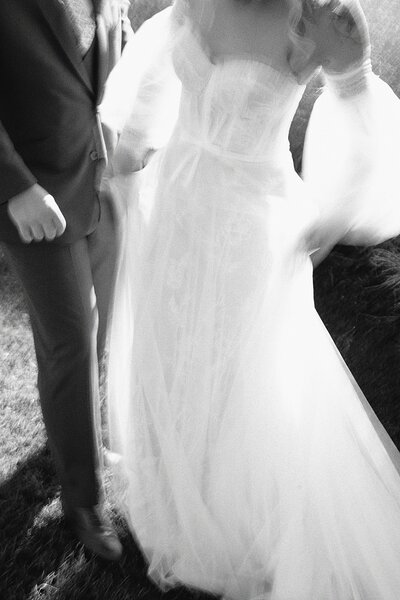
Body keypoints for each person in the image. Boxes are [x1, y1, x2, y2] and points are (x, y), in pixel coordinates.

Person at [103, 0, 400, 596]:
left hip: (249, 227)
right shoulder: (194, 2)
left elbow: (365, 124)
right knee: (170, 346)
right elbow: (155, 82)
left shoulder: (320, 16)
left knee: (238, 372)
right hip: (177, 205)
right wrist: (127, 156)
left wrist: (329, 222)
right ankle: (175, 493)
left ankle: (234, 515)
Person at [0, 0, 133, 561]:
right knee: (72, 339)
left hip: (101, 177)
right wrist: (14, 186)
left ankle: (74, 431)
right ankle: (83, 497)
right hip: (35, 191)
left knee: (97, 324)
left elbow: (115, 47)